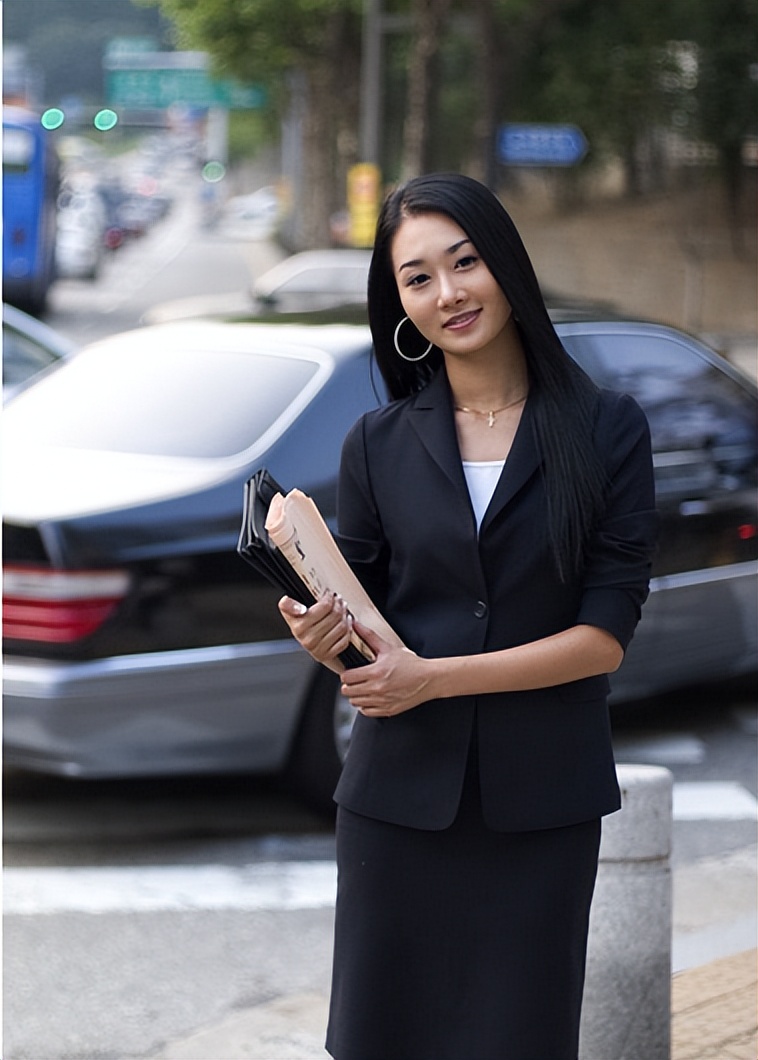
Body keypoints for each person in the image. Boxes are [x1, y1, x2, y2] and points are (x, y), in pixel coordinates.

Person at [278, 172, 658, 1060]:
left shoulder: (608, 429)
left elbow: (604, 637)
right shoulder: (377, 443)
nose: (447, 293)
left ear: (506, 266)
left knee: (519, 1037)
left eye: (465, 262)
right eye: (418, 278)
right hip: (396, 805)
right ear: (401, 304)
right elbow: (363, 613)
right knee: (382, 1036)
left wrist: (432, 679)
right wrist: (321, 638)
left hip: (542, 806)